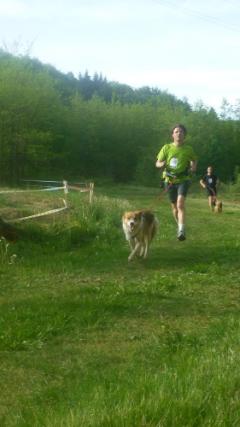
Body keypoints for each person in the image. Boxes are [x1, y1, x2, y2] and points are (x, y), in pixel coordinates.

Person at [156, 124, 197, 241]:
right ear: (172, 135)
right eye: (176, 131)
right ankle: (179, 224)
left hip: (183, 180)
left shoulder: (189, 149)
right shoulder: (166, 148)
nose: (179, 133)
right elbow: (157, 163)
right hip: (169, 180)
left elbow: (194, 160)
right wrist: (161, 164)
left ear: (185, 135)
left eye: (181, 132)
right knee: (174, 207)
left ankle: (181, 230)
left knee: (180, 204)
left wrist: (193, 167)